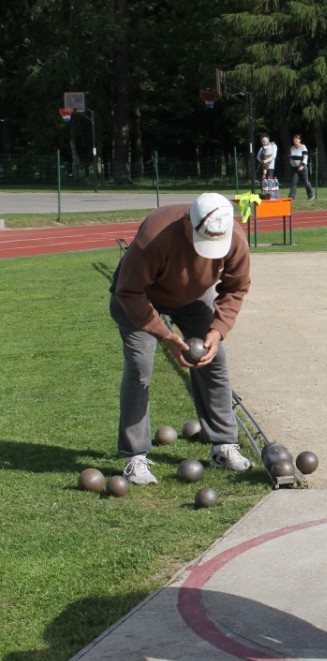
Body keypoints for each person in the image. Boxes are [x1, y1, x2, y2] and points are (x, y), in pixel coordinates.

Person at [109, 193, 254, 485]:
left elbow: (236, 288)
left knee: (215, 359)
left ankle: (223, 445)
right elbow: (128, 291)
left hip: (192, 297)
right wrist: (165, 336)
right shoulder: (155, 235)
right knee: (140, 368)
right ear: (188, 221)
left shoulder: (234, 237)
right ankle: (135, 456)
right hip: (140, 296)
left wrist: (217, 330)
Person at [289, 134, 316, 201]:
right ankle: (291, 197)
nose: (295, 140)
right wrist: (291, 164)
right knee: (293, 182)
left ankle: (311, 194)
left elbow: (305, 157)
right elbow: (291, 158)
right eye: (294, 139)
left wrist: (302, 165)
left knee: (305, 182)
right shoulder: (292, 148)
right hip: (294, 168)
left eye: (297, 139)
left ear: (300, 140)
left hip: (302, 168)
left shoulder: (303, 147)